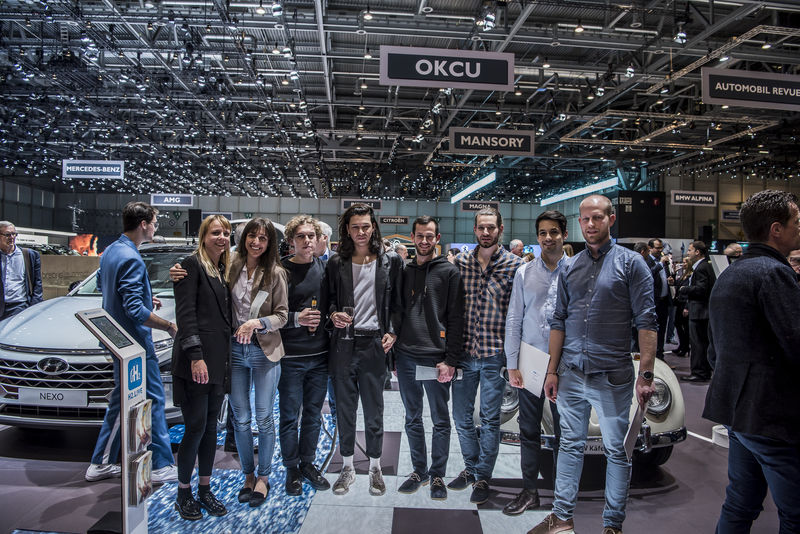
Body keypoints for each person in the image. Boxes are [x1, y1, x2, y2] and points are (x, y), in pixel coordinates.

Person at [528, 195, 656, 534]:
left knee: (617, 451)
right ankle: (561, 518)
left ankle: (612, 524)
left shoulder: (632, 264)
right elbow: (559, 320)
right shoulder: (571, 267)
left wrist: (646, 375)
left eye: (597, 217)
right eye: (584, 219)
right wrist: (551, 370)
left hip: (612, 376)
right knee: (569, 446)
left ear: (611, 219)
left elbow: (647, 322)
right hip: (570, 373)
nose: (590, 224)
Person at [702, 190, 800, 533]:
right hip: (770, 416)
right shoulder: (774, 274)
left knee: (741, 502)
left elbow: (714, 350)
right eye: (796, 222)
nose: (799, 228)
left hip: (737, 412)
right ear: (776, 229)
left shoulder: (731, 273)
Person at [86, 202, 178, 484]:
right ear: (143, 224)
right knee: (153, 399)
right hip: (135, 344)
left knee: (122, 401)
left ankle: (102, 461)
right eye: (154, 222)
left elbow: (104, 284)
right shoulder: (132, 258)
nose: (155, 227)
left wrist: (146, 296)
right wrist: (169, 326)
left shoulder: (112, 251)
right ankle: (161, 464)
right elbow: (135, 311)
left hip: (119, 342)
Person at [325, 203, 402, 496]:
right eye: (355, 227)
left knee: (374, 410)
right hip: (344, 344)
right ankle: (346, 466)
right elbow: (329, 299)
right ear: (347, 229)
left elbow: (397, 304)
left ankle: (375, 467)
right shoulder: (336, 262)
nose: (361, 232)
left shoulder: (390, 261)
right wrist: (333, 314)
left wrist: (392, 331)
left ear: (374, 227)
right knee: (345, 410)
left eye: (366, 226)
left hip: (374, 345)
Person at [449, 207, 524, 504]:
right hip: (465, 353)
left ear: (500, 229)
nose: (485, 232)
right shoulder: (461, 263)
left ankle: (483, 476)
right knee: (461, 416)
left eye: (491, 227)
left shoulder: (515, 265)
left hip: (495, 354)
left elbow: (520, 312)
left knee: (491, 419)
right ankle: (471, 467)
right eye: (481, 227)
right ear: (475, 229)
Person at [503, 210, 569, 516]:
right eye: (542, 232)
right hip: (530, 358)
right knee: (528, 429)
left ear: (564, 235)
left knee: (565, 432)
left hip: (565, 362)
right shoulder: (524, 273)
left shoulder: (576, 270)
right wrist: (512, 362)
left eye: (553, 232)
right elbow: (514, 318)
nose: (548, 238)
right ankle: (529, 491)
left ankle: (563, 496)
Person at [394, 216, 465, 501]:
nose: (424, 241)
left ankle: (437, 474)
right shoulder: (404, 271)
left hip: (436, 359)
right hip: (406, 357)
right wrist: (394, 358)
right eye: (420, 236)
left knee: (440, 419)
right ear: (412, 237)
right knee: (412, 418)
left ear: (437, 238)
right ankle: (419, 471)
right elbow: (396, 313)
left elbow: (457, 318)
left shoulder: (449, 272)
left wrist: (451, 360)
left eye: (429, 236)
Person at [171, 215, 233, 520]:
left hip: (219, 362)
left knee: (210, 429)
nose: (222, 238)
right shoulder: (190, 265)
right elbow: (186, 316)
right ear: (203, 236)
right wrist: (195, 355)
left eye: (226, 233)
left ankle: (205, 489)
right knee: (194, 427)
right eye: (216, 232)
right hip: (195, 362)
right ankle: (183, 493)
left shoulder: (222, 270)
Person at [227, 218, 288, 507]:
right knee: (240, 418)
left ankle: (264, 476)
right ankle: (247, 476)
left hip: (264, 351)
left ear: (269, 243)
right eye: (252, 236)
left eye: (263, 238)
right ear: (244, 238)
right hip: (233, 351)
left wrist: (257, 323)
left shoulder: (275, 272)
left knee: (264, 417)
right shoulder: (229, 266)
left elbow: (283, 316)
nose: (256, 242)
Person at [279, 215, 331, 496]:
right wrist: (295, 319)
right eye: (301, 236)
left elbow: (332, 306)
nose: (307, 240)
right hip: (290, 358)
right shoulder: (280, 271)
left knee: (313, 415)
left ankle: (308, 463)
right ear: (291, 241)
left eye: (311, 235)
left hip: (320, 357)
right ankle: (291, 469)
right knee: (289, 416)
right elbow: (265, 313)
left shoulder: (325, 269)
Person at [679, 240, 715, 382]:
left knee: (698, 344)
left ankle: (699, 372)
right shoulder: (705, 266)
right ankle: (703, 371)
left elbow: (701, 289)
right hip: (702, 311)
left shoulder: (701, 268)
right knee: (702, 343)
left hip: (700, 312)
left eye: (690, 250)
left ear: (697, 252)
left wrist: (684, 289)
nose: (688, 253)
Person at [0, 221, 43, 321]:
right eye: (7, 234)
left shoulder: (29, 255)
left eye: (14, 234)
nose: (12, 237)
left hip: (19, 307)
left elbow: (37, 284)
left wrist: (33, 307)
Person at [648, 239, 673, 360]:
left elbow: (664, 277)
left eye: (661, 247)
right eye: (657, 248)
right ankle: (651, 358)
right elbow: (648, 275)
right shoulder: (647, 261)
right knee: (652, 331)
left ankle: (660, 356)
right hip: (653, 302)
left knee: (662, 330)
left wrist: (670, 280)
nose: (660, 250)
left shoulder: (663, 261)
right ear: (650, 248)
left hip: (664, 301)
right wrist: (660, 265)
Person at [670, 257, 692, 357]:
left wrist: (687, 307)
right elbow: (678, 286)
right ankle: (682, 345)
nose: (683, 264)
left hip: (685, 303)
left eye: (685, 263)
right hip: (679, 303)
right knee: (678, 324)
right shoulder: (683, 274)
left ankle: (685, 347)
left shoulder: (691, 275)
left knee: (685, 327)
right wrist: (674, 275)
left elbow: (689, 292)